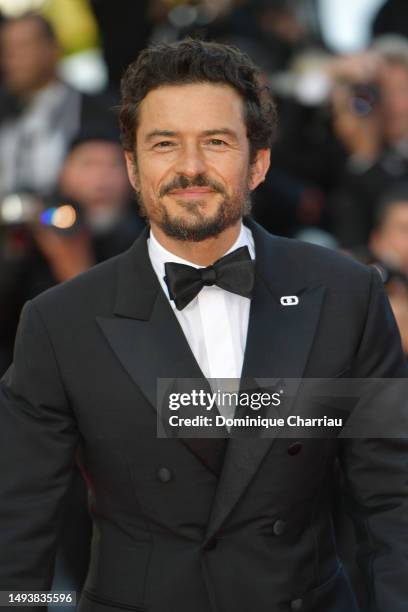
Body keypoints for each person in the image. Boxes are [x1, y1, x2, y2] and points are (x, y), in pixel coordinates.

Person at [0, 39, 407, 612]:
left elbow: (392, 498)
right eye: (165, 144)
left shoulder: (345, 294)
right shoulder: (59, 321)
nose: (190, 167)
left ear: (258, 162)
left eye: (216, 142)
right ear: (133, 167)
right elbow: (18, 527)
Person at [0, 12, 114, 200]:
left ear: (53, 49)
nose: (11, 60)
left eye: (23, 47)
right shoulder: (5, 112)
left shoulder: (96, 110)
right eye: (6, 50)